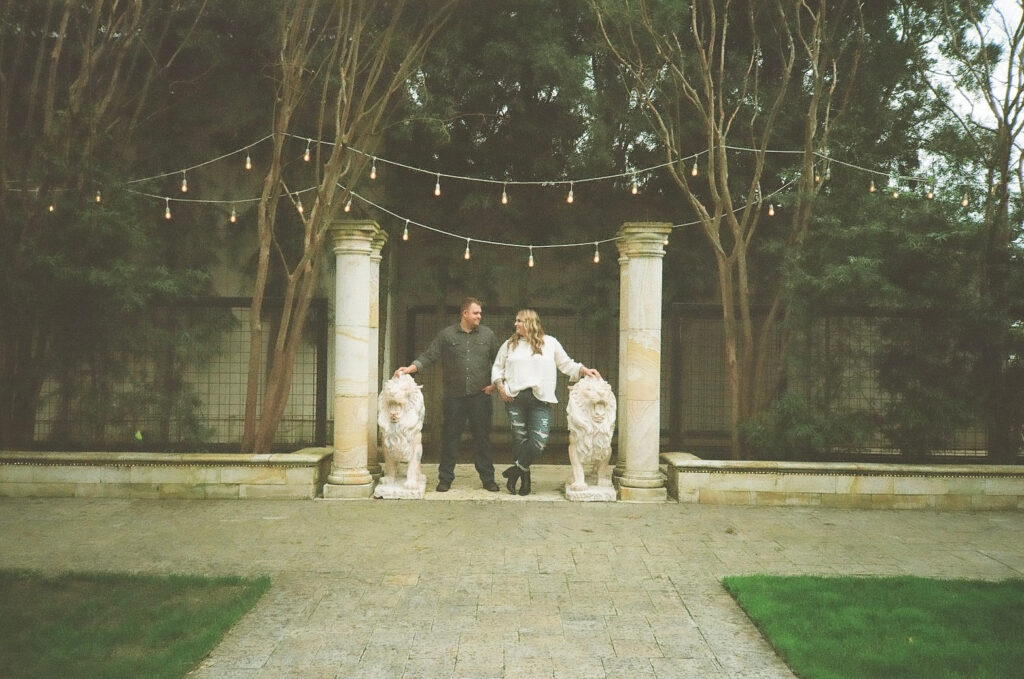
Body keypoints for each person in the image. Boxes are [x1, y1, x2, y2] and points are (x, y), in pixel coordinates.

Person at [394, 297, 501, 492]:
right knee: (450, 438)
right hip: (454, 397)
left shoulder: (488, 335)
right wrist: (411, 368)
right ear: (465, 313)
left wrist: (495, 385)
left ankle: (488, 479)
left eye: (480, 313)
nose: (479, 316)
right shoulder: (447, 335)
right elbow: (429, 355)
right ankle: (445, 479)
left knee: (482, 439)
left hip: (480, 397)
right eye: (476, 313)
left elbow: (501, 363)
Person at [491, 308, 601, 496]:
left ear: (530, 323)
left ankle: (515, 471)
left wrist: (583, 370)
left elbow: (567, 364)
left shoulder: (550, 343)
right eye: (515, 321)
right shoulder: (509, 345)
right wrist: (501, 388)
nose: (515, 324)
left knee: (539, 442)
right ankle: (525, 482)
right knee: (520, 440)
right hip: (515, 398)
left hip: (539, 399)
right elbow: (497, 368)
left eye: (519, 321)